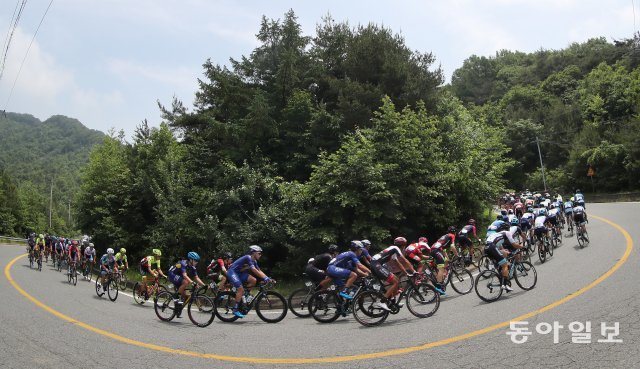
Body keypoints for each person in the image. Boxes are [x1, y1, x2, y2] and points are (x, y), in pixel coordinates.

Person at [226, 245, 274, 318]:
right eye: (259, 253)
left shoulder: (254, 261)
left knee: (253, 280)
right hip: (232, 272)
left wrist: (267, 278)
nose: (260, 255)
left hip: (239, 273)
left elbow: (259, 270)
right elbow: (254, 270)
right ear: (254, 253)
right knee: (240, 289)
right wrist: (265, 279)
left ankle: (244, 297)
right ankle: (235, 309)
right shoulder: (248, 257)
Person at [370, 241, 416, 311]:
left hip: (375, 264)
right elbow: (405, 260)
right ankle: (382, 302)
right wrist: (414, 271)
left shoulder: (393, 252)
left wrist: (406, 273)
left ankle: (392, 302)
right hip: (376, 264)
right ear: (403, 246)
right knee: (395, 282)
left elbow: (399, 264)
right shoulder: (395, 248)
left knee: (396, 280)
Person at [485, 222, 524, 292]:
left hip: (486, 248)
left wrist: (505, 251)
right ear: (508, 229)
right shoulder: (507, 233)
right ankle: (505, 285)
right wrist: (523, 247)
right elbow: (514, 245)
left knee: (501, 263)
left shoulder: (497, 234)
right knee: (505, 265)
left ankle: (501, 278)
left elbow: (500, 248)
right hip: (492, 247)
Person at [168, 252, 206, 316]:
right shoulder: (183, 263)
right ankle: (176, 296)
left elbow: (196, 277)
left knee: (185, 296)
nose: (197, 262)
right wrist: (192, 282)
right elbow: (185, 275)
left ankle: (177, 308)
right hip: (172, 274)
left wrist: (204, 285)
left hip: (179, 276)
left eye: (197, 261)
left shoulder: (193, 267)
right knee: (186, 282)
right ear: (191, 260)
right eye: (195, 261)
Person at [430, 226, 458, 295]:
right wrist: (457, 255)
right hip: (436, 251)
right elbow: (452, 246)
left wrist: (448, 259)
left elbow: (444, 251)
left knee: (445, 262)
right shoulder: (452, 236)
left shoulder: (445, 236)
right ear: (455, 232)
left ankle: (441, 281)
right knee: (441, 268)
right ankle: (438, 287)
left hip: (434, 250)